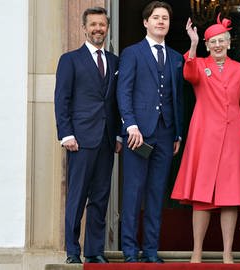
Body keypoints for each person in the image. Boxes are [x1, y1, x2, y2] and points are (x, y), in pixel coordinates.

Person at [171, 15, 240, 264]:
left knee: (230, 197)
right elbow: (188, 74)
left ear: (229, 43)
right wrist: (193, 43)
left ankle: (227, 253)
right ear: (207, 45)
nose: (218, 45)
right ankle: (197, 251)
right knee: (202, 195)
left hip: (234, 137)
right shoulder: (198, 64)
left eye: (222, 41)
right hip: (205, 135)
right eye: (213, 42)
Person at [116, 1, 184, 263]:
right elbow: (124, 91)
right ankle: (130, 251)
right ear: (146, 22)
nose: (160, 22)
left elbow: (177, 98)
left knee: (157, 194)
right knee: (134, 192)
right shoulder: (132, 53)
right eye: (155, 17)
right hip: (138, 134)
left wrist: (177, 132)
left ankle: (151, 250)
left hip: (166, 133)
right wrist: (129, 125)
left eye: (165, 18)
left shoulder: (176, 57)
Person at [54, 7, 121, 264]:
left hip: (106, 140)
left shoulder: (115, 62)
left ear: (106, 28)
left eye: (102, 25)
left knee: (101, 198)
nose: (98, 29)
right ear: (84, 28)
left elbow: (116, 103)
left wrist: (118, 135)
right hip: (79, 140)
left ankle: (94, 251)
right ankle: (73, 251)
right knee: (77, 197)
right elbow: (62, 100)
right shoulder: (69, 60)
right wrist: (66, 134)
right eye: (93, 24)